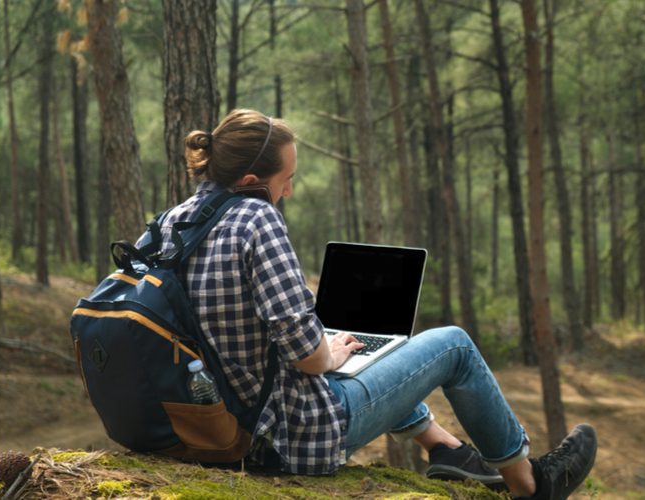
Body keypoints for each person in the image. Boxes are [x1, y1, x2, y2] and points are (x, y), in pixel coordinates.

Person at [157, 108, 597, 499]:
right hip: (290, 436)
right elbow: (306, 357)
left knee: (371, 353)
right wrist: (328, 352)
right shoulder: (257, 217)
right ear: (252, 182)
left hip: (219, 423)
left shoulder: (172, 223)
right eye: (285, 180)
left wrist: (332, 350)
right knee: (454, 346)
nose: (287, 192)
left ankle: (446, 449)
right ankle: (532, 484)